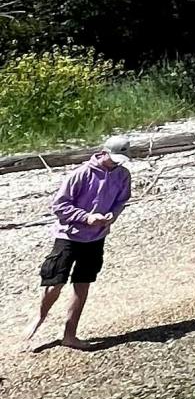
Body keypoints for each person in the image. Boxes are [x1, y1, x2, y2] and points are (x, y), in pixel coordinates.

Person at [25, 140, 134, 350]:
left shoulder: (123, 175)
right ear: (103, 153)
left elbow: (122, 200)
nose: (116, 164)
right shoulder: (81, 174)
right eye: (113, 159)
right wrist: (86, 217)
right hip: (69, 236)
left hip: (96, 237)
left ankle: (70, 335)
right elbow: (59, 206)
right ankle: (40, 316)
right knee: (54, 282)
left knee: (82, 284)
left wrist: (112, 216)